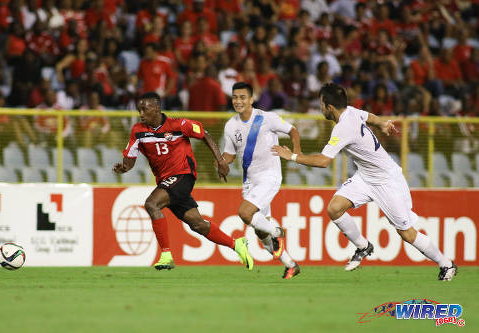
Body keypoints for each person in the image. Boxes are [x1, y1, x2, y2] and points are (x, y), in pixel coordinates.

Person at [272, 83, 457, 281]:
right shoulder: (351, 112)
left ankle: (446, 264)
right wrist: (383, 124)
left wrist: (291, 156)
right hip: (365, 176)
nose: (321, 108)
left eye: (321, 104)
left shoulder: (343, 128)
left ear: (329, 107)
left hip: (387, 181)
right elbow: (368, 116)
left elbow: (324, 162)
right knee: (335, 208)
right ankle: (363, 246)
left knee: (407, 233)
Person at [113, 92, 253, 271]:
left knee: (151, 204)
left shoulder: (179, 125)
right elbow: (130, 160)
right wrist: (124, 168)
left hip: (183, 175)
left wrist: (220, 161)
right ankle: (237, 244)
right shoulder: (138, 131)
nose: (140, 114)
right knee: (197, 224)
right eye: (139, 110)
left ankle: (166, 254)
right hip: (166, 182)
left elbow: (205, 135)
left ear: (156, 108)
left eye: (144, 109)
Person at [222, 82, 302, 279]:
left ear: (251, 99)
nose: (238, 101)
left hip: (269, 176)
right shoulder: (230, 125)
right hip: (249, 181)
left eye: (242, 97)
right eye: (235, 97)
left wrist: (296, 153)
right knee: (260, 231)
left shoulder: (267, 118)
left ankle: (277, 231)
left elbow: (293, 130)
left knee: (244, 212)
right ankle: (291, 264)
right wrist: (220, 164)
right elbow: (229, 156)